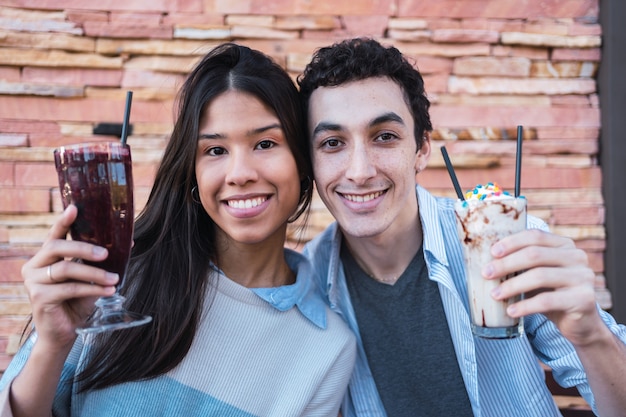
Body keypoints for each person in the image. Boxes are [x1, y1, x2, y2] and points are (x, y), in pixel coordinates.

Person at [0, 43, 356, 417]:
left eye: (265, 144)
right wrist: (53, 345)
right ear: (192, 171)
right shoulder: (114, 284)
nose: (240, 174)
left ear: (303, 163)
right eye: (215, 151)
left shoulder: (327, 348)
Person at [297, 37, 626, 417]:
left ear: (421, 149)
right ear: (311, 161)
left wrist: (592, 338)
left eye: (385, 136)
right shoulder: (308, 283)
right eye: (333, 142)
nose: (360, 171)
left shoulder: (507, 244)